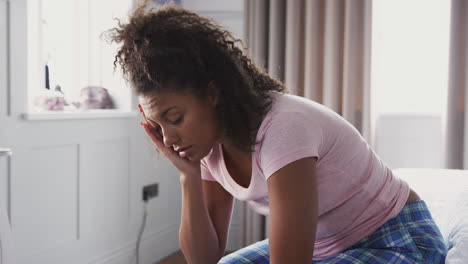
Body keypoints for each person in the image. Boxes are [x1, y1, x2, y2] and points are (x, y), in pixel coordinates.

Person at [109, 3, 447, 264]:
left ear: (212, 94)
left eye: (175, 118)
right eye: (158, 125)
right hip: (322, 247)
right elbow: (204, 258)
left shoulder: (283, 127)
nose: (168, 139)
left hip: (395, 236)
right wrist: (188, 177)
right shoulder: (208, 146)